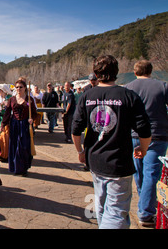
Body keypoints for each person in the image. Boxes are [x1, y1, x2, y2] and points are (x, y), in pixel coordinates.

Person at [72, 55, 152, 229]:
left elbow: (75, 130)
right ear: (117, 71)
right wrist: (143, 149)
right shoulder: (129, 96)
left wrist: (80, 151)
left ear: (95, 72)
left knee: (101, 205)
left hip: (95, 160)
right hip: (119, 163)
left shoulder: (87, 96)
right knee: (115, 210)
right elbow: (145, 130)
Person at [124, 59, 168, 227]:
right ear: (151, 71)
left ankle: (144, 205)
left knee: (140, 172)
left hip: (134, 134)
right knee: (151, 174)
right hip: (157, 135)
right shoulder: (162, 86)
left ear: (135, 72)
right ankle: (146, 211)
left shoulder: (128, 88)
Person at [1, 77, 38, 176]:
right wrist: (3, 125)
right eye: (16, 87)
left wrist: (32, 119)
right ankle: (16, 168)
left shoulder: (29, 100)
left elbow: (35, 113)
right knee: (14, 146)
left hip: (25, 125)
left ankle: (24, 168)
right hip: (14, 125)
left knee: (24, 147)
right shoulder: (12, 99)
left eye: (20, 87)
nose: (18, 89)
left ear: (25, 88)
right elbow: (7, 113)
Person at [0, 84, 12, 161]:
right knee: (0, 137)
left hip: (7, 120)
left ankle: (6, 155)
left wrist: (6, 105)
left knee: (5, 137)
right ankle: (1, 154)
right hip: (0, 119)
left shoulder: (10, 98)